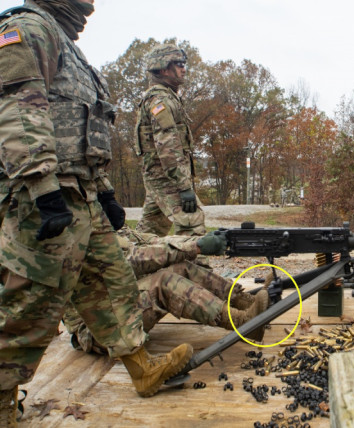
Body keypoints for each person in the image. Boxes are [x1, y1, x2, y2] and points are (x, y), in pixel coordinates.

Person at [0, 1, 193, 424]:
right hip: (45, 196)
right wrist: (41, 184)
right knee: (28, 307)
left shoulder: (70, 48)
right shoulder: (29, 30)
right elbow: (18, 107)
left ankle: (142, 370)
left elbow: (82, 131)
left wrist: (104, 190)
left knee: (113, 287)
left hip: (83, 194)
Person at [63, 227, 270, 354]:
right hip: (99, 330)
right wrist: (196, 247)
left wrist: (196, 243)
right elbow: (132, 261)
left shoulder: (97, 222)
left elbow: (155, 242)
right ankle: (243, 323)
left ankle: (246, 303)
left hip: (115, 306)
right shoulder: (76, 232)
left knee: (183, 267)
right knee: (164, 282)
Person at [134, 43, 206, 237]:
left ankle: (129, 262)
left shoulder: (167, 97)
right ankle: (195, 267)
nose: (184, 69)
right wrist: (183, 186)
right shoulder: (161, 100)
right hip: (166, 177)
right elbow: (167, 146)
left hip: (160, 176)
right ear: (164, 69)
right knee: (191, 223)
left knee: (151, 231)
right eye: (179, 64)